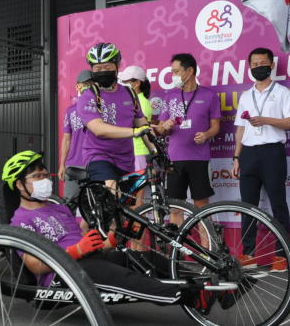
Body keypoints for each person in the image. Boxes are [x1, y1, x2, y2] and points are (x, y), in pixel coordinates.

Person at [3, 151, 184, 304]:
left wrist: (113, 239)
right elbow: (35, 266)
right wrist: (78, 250)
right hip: (62, 274)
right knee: (124, 278)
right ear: (19, 184)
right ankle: (187, 294)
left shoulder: (58, 208)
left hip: (88, 259)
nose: (44, 180)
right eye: (37, 177)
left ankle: (203, 281)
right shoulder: (19, 221)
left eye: (44, 175)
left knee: (139, 258)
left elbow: (87, 242)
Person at [231, 47, 290, 273]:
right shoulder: (245, 95)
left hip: (272, 153)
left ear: (271, 65)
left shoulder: (282, 93)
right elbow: (240, 129)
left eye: (262, 63)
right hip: (249, 154)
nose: (258, 67)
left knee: (278, 204)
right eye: (254, 63)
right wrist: (236, 157)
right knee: (247, 206)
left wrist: (267, 120)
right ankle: (248, 254)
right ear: (249, 67)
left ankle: (281, 256)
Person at [155, 54, 221, 222]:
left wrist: (206, 134)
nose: (173, 76)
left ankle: (206, 248)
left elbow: (216, 126)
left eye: (176, 72)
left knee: (202, 205)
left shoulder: (209, 96)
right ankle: (178, 249)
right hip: (174, 160)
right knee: (176, 207)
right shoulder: (169, 97)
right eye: (172, 72)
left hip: (199, 158)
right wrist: (165, 127)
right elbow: (160, 129)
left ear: (190, 71)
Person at [77, 43, 150, 190]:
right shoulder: (89, 95)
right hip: (99, 156)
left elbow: (142, 125)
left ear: (117, 66)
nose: (102, 71)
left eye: (107, 67)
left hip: (126, 160)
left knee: (124, 207)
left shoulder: (129, 93)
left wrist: (155, 150)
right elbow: (98, 129)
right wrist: (133, 132)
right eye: (98, 68)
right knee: (111, 188)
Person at [58, 70, 92, 201]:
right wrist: (62, 164)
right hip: (74, 166)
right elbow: (66, 140)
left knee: (95, 208)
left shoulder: (102, 108)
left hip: (95, 164)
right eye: (85, 84)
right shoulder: (71, 110)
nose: (88, 87)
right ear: (77, 86)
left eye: (91, 83)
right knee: (69, 204)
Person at [118, 65, 154, 173]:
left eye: (126, 81)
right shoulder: (133, 100)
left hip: (139, 151)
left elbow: (142, 126)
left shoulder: (142, 102)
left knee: (140, 188)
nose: (122, 84)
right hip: (132, 151)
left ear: (137, 83)